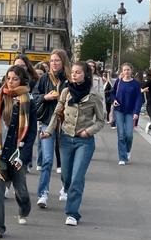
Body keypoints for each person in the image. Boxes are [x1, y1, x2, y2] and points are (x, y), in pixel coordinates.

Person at [42, 61, 105, 225]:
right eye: (73, 72)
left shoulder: (94, 96)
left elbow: (100, 121)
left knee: (77, 177)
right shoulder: (66, 92)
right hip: (65, 139)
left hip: (84, 141)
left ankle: (72, 213)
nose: (74, 75)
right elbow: (57, 113)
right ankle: (69, 190)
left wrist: (88, 132)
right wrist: (49, 131)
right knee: (66, 176)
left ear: (85, 74)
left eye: (78, 72)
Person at [0, 65, 37, 239]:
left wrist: (23, 157)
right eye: (8, 78)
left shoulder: (28, 102)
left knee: (21, 190)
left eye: (15, 78)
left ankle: (24, 209)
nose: (10, 82)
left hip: (17, 153)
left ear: (22, 80)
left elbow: (31, 133)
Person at [32, 49, 70, 207]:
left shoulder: (70, 79)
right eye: (52, 61)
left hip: (66, 125)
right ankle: (43, 193)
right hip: (47, 123)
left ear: (63, 62)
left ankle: (65, 188)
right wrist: (45, 97)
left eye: (57, 61)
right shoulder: (44, 79)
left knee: (66, 162)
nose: (54, 64)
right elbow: (34, 96)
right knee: (47, 160)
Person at [112, 62, 143, 165]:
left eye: (128, 70)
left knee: (129, 135)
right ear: (122, 71)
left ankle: (128, 150)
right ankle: (122, 157)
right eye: (124, 70)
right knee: (121, 135)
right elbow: (112, 93)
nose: (126, 72)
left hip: (130, 112)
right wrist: (114, 100)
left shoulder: (135, 84)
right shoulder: (118, 82)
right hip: (119, 110)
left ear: (131, 71)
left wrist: (136, 112)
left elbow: (139, 99)